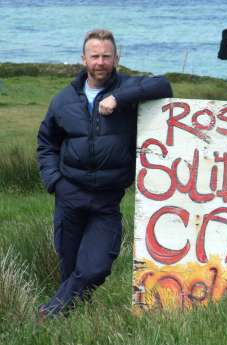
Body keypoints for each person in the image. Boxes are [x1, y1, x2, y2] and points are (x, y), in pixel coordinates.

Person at [37, 29, 172, 317]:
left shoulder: (128, 89)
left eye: (106, 56)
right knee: (71, 269)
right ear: (83, 59)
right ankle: (65, 321)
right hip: (69, 196)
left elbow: (164, 86)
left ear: (116, 59)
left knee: (96, 267)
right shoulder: (63, 100)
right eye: (94, 56)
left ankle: (51, 311)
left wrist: (120, 99)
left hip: (106, 201)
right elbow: (46, 143)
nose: (100, 62)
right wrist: (55, 182)